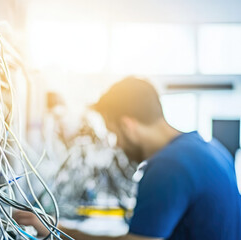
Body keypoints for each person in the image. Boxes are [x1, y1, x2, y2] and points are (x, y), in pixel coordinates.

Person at [14, 76, 241, 240]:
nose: (118, 144)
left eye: (115, 134)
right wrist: (56, 228)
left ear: (127, 124)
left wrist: (56, 230)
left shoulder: (169, 166)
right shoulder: (211, 149)